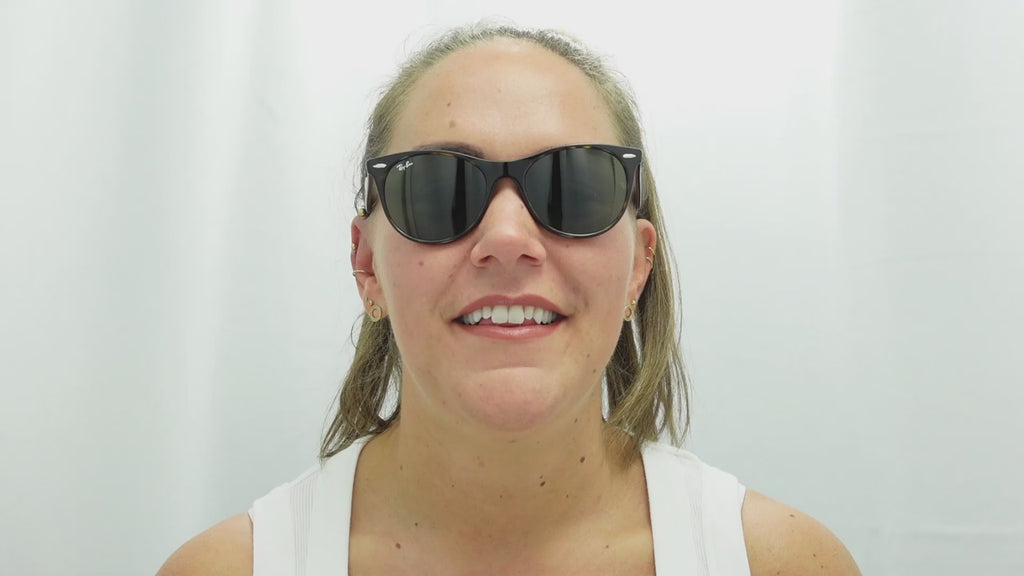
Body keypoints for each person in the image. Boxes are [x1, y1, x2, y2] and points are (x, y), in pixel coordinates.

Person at [158, 23, 861, 576]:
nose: (506, 239)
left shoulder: (781, 564)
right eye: (439, 187)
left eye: (572, 185)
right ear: (367, 265)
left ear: (638, 266)